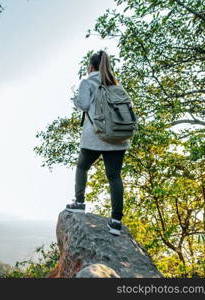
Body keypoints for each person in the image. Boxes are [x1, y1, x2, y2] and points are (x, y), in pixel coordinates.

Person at [66, 50, 131, 236]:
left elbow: (84, 104)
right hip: (118, 136)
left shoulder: (88, 82)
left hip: (96, 136)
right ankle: (116, 222)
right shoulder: (115, 83)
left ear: (91, 66)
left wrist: (74, 100)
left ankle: (79, 203)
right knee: (114, 177)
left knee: (82, 166)